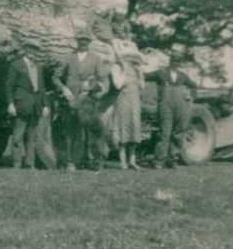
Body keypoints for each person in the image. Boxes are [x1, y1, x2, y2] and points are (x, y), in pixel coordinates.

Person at [52, 27, 110, 170]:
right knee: (72, 131)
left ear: (89, 41)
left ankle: (95, 161)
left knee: (94, 130)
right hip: (71, 100)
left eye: (85, 39)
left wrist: (92, 88)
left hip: (88, 101)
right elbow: (55, 77)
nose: (82, 42)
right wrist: (63, 88)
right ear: (76, 41)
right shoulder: (68, 57)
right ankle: (71, 161)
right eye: (80, 39)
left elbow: (104, 82)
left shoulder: (95, 59)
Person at [145, 51, 198, 169]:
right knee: (165, 133)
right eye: (174, 60)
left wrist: (191, 97)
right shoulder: (161, 73)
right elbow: (145, 76)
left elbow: (193, 85)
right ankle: (159, 161)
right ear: (170, 61)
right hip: (165, 106)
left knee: (178, 133)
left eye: (179, 61)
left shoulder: (183, 76)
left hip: (180, 106)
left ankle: (172, 160)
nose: (176, 63)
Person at [5, 46, 50, 169]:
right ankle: (17, 163)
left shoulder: (38, 67)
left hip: (36, 105)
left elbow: (42, 87)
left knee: (32, 136)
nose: (33, 53)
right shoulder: (16, 65)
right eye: (31, 49)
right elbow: (9, 86)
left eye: (36, 50)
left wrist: (45, 105)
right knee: (18, 135)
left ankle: (30, 163)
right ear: (25, 50)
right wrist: (10, 104)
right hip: (21, 104)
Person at [109, 32, 146, 170]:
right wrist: (124, 70)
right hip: (123, 100)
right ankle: (122, 162)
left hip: (134, 100)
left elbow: (141, 86)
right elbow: (118, 84)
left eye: (131, 58)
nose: (129, 60)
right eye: (127, 57)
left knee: (134, 129)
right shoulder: (117, 68)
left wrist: (140, 74)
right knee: (123, 130)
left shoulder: (137, 69)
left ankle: (132, 161)